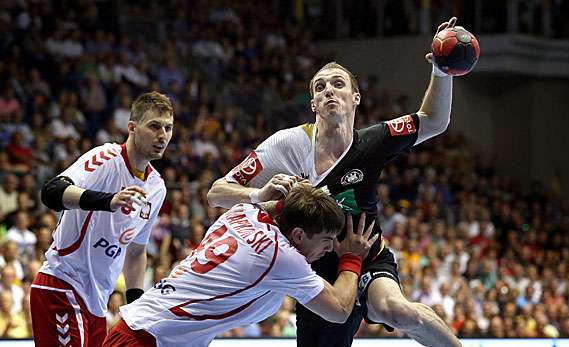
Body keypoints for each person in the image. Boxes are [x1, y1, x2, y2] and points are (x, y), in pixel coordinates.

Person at [207, 18, 463, 347]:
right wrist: (259, 193)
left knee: (398, 311)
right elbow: (217, 193)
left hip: (367, 255)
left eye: (338, 84)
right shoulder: (285, 145)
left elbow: (434, 120)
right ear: (313, 104)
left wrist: (441, 72)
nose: (329, 89)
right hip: (316, 275)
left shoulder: (374, 141)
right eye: (320, 86)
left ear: (355, 98)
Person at [103, 183, 375, 347]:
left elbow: (264, 205)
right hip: (146, 340)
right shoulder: (281, 257)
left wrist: (288, 196)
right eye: (327, 241)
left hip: (145, 329)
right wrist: (352, 256)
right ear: (299, 235)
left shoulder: (241, 212)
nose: (330, 249)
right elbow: (339, 310)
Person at [31, 91, 174, 346]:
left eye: (168, 128)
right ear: (132, 127)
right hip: (62, 286)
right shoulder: (107, 157)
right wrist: (108, 200)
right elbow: (51, 191)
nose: (162, 135)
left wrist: (136, 310)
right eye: (154, 126)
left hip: (97, 304)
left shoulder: (156, 187)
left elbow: (136, 252)